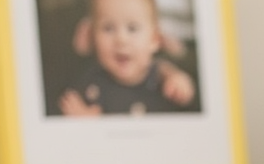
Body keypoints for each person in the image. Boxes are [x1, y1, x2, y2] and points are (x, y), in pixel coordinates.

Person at [58, 0, 195, 115]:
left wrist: (181, 87)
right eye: (108, 28)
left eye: (132, 28)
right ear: (92, 36)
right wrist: (84, 123)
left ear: (155, 40)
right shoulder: (90, 82)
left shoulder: (163, 79)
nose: (121, 39)